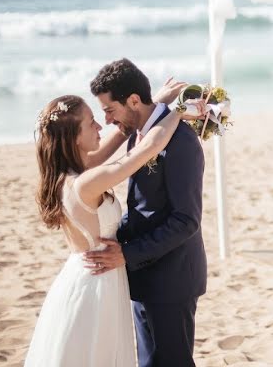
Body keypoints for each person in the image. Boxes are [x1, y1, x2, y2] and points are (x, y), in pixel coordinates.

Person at [24, 76, 201, 367]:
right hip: (97, 282)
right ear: (75, 138)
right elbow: (146, 149)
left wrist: (147, 106)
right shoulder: (86, 182)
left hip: (84, 275)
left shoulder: (66, 174)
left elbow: (116, 139)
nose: (101, 126)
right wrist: (176, 110)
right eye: (91, 122)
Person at [84, 58, 208, 367]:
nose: (109, 121)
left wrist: (127, 254)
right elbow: (143, 207)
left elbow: (186, 220)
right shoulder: (140, 137)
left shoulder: (180, 140)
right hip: (144, 275)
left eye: (109, 110)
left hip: (172, 278)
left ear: (134, 101)